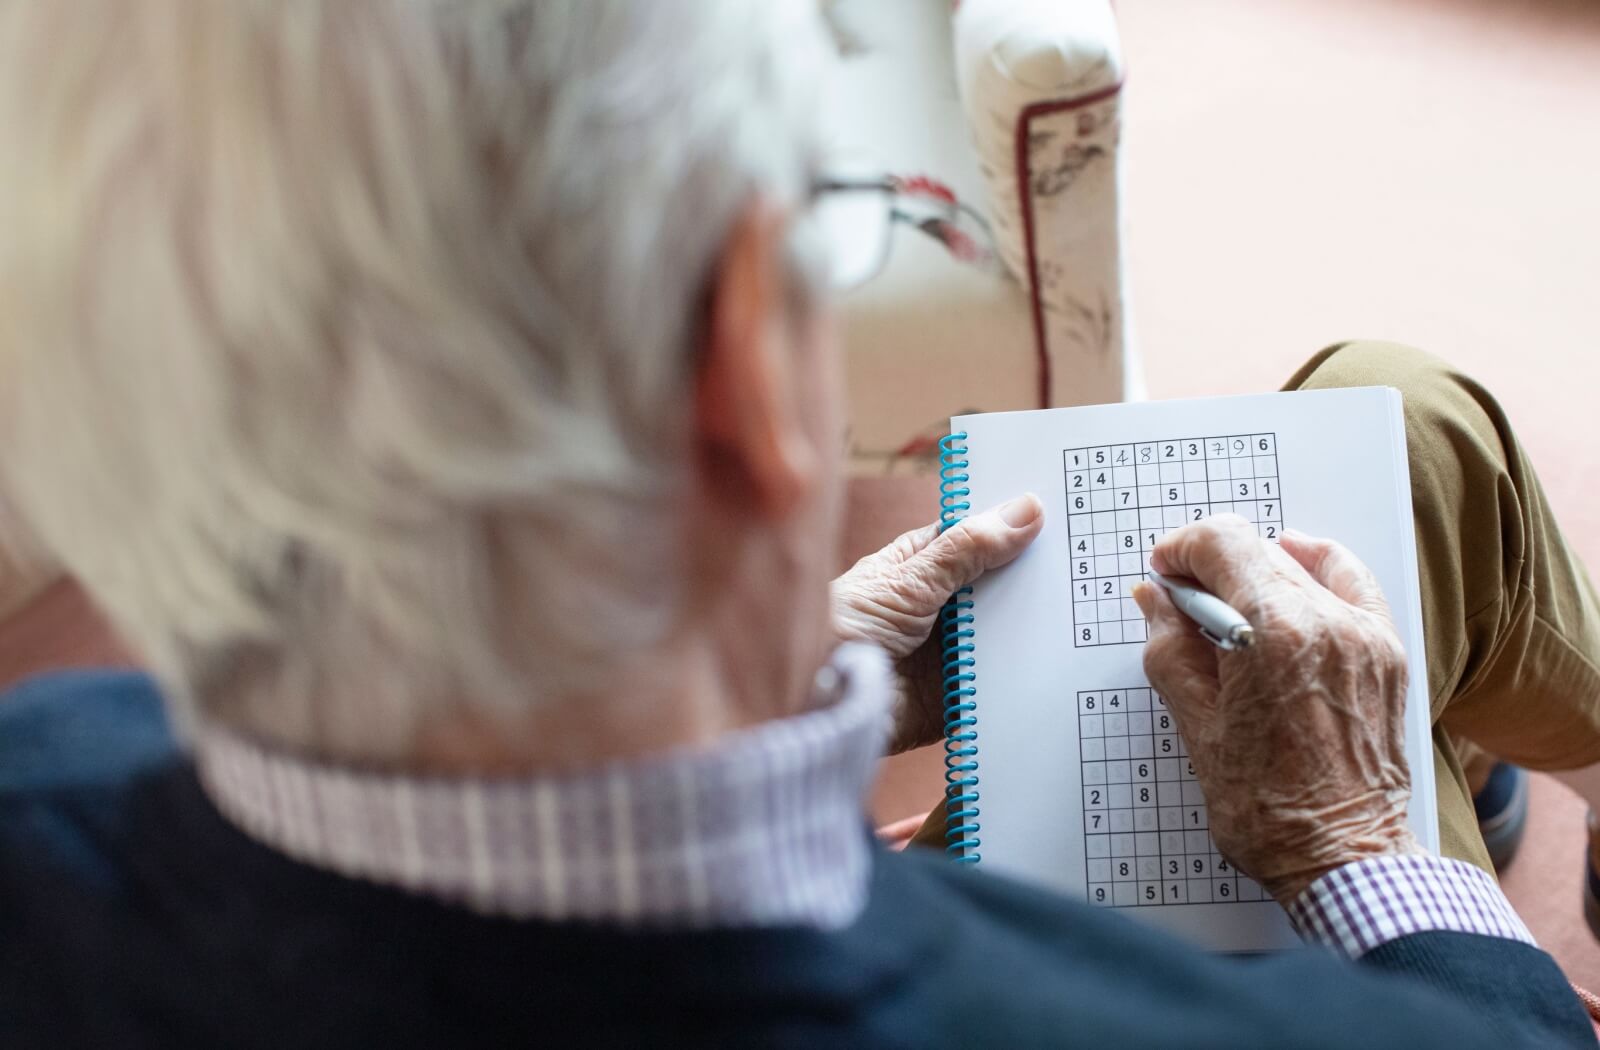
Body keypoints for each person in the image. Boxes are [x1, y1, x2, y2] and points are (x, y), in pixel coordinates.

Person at [0, 1, 1593, 1046]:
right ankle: (1441, 770)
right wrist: (1361, 850)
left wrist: (752, 686)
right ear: (754, 371)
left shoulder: (43, 783)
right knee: (1413, 424)